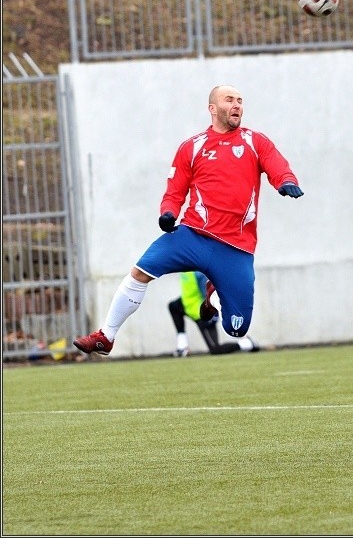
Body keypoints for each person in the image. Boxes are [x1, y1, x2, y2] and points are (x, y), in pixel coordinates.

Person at [73, 84, 303, 356]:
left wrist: (286, 181)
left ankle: (213, 296)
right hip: (191, 236)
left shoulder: (255, 141)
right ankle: (106, 336)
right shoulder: (192, 148)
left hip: (235, 247)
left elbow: (277, 164)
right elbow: (174, 192)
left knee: (236, 329)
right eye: (229, 100)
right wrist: (167, 213)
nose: (237, 105)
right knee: (139, 273)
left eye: (240, 101)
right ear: (212, 108)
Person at [169, 271, 259, 357]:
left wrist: (213, 317)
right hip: (188, 306)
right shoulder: (185, 266)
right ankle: (182, 347)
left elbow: (211, 298)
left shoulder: (200, 274)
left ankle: (247, 344)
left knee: (216, 350)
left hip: (202, 315)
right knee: (173, 307)